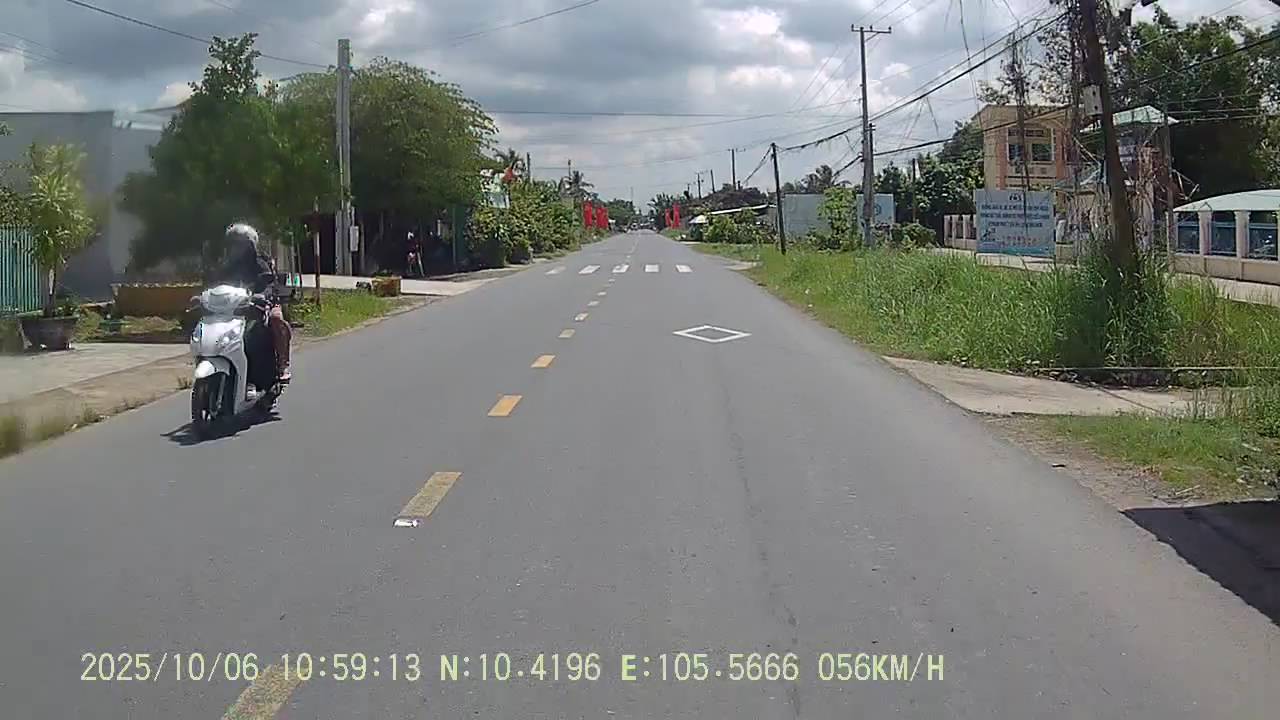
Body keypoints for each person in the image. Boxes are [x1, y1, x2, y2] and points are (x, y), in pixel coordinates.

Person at [219, 223, 292, 382]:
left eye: (240, 244)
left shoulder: (260, 263)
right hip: (235, 308)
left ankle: (282, 364)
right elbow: (216, 285)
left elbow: (269, 284)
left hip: (263, 304)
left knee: (276, 319)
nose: (236, 248)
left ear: (250, 245)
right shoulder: (227, 266)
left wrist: (262, 295)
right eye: (233, 244)